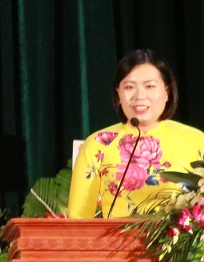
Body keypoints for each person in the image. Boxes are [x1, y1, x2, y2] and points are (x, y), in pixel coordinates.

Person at [67, 50, 204, 218]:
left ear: (167, 92)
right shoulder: (97, 144)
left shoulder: (197, 141)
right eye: (129, 87)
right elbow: (78, 220)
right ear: (118, 93)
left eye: (149, 86)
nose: (139, 96)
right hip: (112, 236)